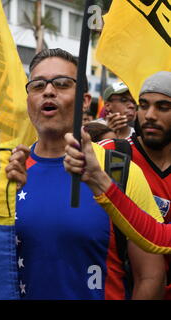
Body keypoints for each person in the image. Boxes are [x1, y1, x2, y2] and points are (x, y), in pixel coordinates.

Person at [14, 48, 165, 300]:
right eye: (38, 85)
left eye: (62, 84)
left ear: (85, 101)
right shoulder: (10, 170)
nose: (48, 91)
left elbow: (151, 276)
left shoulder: (120, 170)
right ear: (28, 98)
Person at [67, 71, 171, 298]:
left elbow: (158, 237)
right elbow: (155, 236)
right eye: (143, 105)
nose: (150, 115)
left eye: (163, 107)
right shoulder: (110, 156)